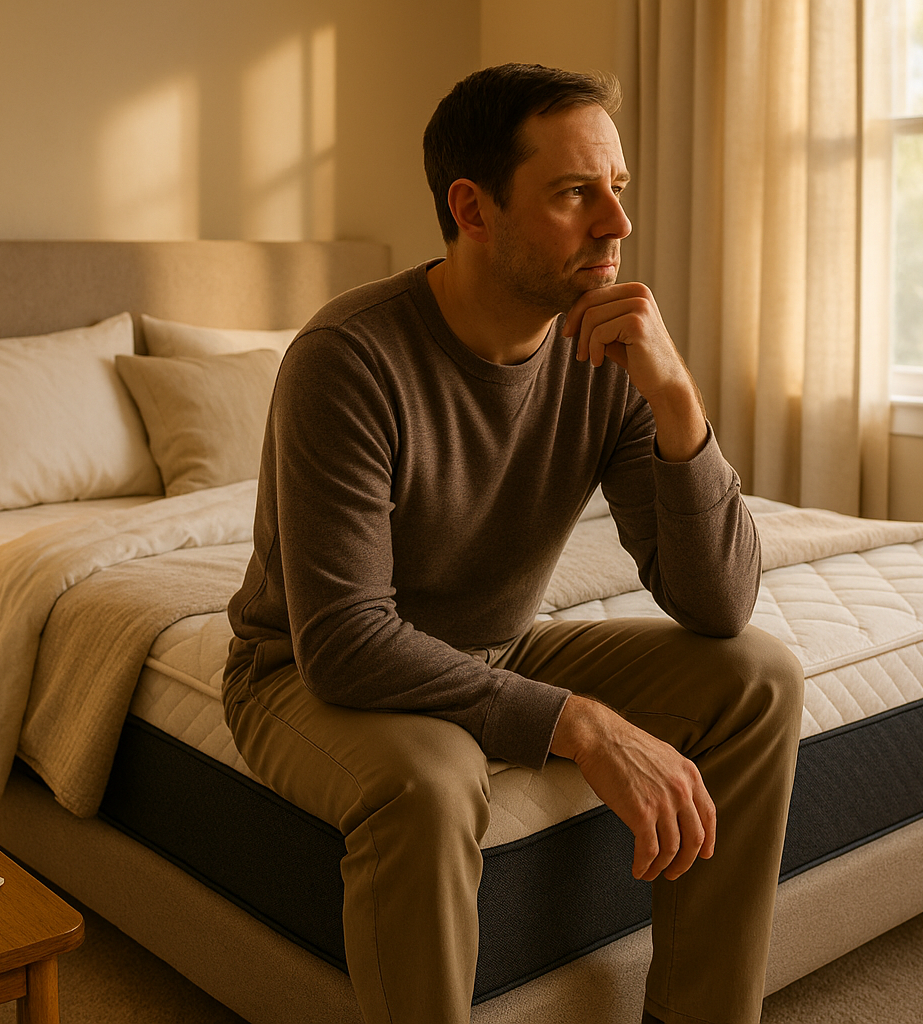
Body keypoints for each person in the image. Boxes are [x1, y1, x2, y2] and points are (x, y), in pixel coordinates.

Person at [222, 63, 804, 1024]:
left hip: (496, 644)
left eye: (616, 190)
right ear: (473, 208)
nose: (615, 225)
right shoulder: (348, 359)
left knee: (759, 677)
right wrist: (579, 721)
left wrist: (678, 404)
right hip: (298, 671)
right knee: (431, 779)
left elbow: (718, 603)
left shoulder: (605, 354)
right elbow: (346, 642)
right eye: (576, 193)